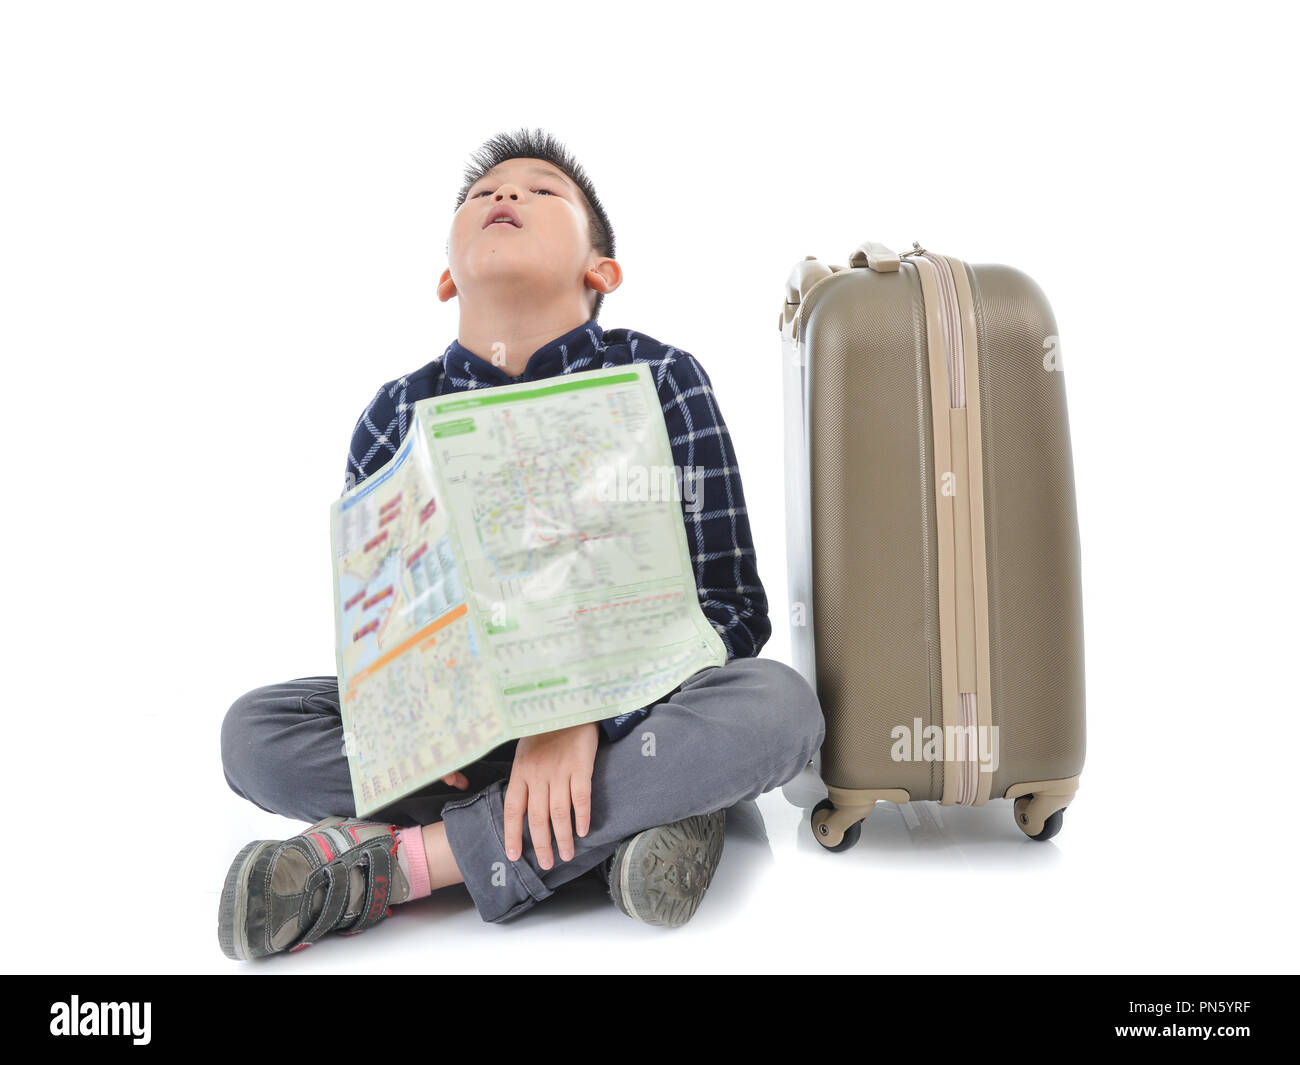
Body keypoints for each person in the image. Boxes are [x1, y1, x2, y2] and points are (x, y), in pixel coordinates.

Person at [217, 127, 824, 960]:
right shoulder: (391, 416)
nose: (506, 197)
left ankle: (404, 864)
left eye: (544, 193)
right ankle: (618, 830)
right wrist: (437, 726)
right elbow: (381, 644)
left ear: (599, 270)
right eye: (483, 194)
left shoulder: (664, 379)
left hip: (626, 718)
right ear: (445, 273)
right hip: (465, 743)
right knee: (257, 732)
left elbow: (730, 608)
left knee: (778, 706)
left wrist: (584, 714)